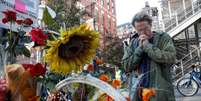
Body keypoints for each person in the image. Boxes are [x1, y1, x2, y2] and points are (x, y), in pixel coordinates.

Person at [122, 12, 176, 101]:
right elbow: (126, 65)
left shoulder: (163, 38)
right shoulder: (133, 43)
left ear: (151, 25)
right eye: (139, 30)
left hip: (159, 94)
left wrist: (147, 46)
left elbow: (171, 57)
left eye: (146, 28)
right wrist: (140, 49)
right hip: (138, 94)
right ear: (135, 29)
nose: (143, 32)